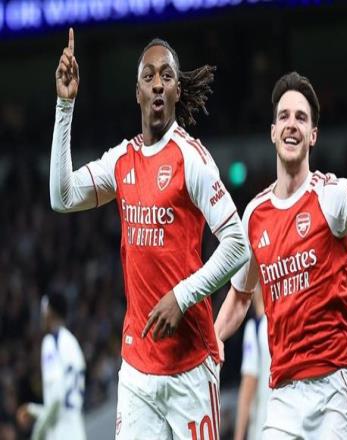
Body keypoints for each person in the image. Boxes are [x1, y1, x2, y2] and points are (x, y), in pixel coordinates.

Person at [50, 28, 249, 439]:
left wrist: (182, 296)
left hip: (190, 367)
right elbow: (62, 196)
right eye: (149, 76)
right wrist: (65, 105)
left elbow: (237, 243)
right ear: (138, 92)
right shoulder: (121, 161)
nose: (158, 83)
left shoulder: (191, 158)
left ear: (177, 91)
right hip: (137, 371)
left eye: (167, 76)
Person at [215, 71, 347, 439]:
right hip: (283, 393)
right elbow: (241, 296)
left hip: (333, 390)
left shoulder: (330, 195)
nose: (292, 124)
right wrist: (213, 340)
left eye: (301, 118)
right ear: (273, 131)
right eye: (284, 116)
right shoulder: (254, 214)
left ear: (313, 135)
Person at [17, 293, 86, 440]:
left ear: (50, 312)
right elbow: (62, 404)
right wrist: (32, 409)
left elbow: (56, 399)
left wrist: (37, 434)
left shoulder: (50, 342)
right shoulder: (72, 342)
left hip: (61, 433)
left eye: (44, 310)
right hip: (76, 429)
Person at [233, 284, 271, 440]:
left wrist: (238, 436)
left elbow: (248, 385)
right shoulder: (284, 325)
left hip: (263, 428)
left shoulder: (255, 328)